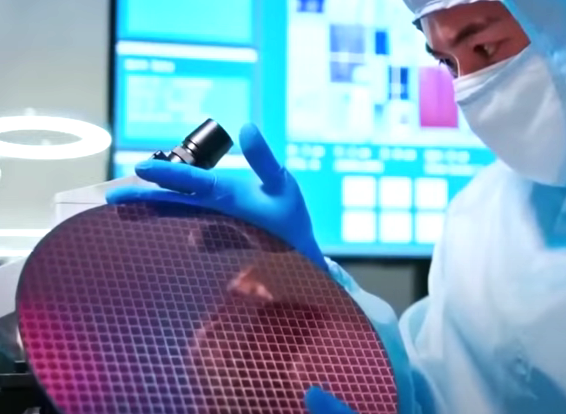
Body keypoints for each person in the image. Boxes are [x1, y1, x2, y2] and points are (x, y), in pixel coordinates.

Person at [107, 0, 566, 412]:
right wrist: (308, 283)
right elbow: (441, 398)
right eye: (448, 63)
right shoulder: (480, 221)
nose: (469, 88)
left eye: (485, 48)